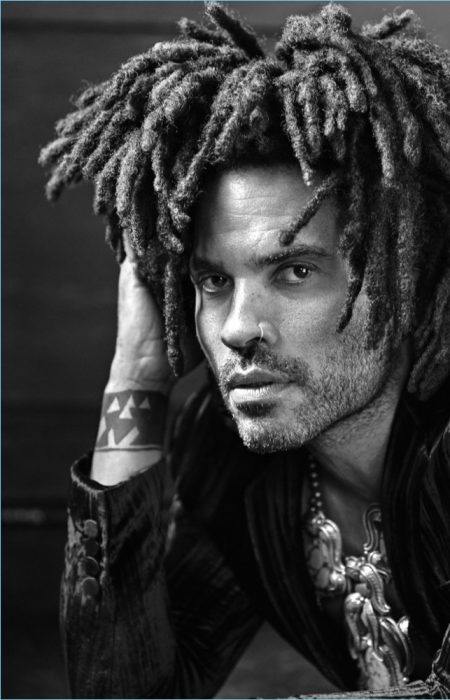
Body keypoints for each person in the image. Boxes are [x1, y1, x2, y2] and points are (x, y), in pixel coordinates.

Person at [40, 2, 450, 697]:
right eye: (214, 281)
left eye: (295, 271)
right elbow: (126, 690)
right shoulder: (233, 457)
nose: (236, 328)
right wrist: (136, 376)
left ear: (402, 277)